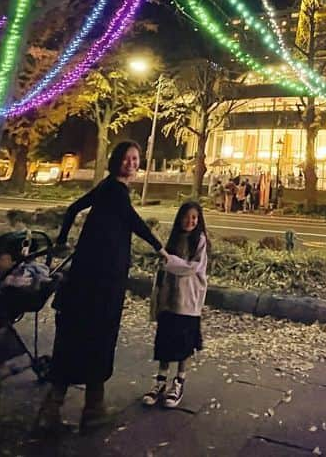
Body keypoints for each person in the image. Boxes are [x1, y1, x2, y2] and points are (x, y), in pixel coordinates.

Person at [36, 141, 163, 433]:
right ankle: (91, 408)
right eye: (127, 158)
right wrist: (159, 247)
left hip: (86, 276)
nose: (132, 163)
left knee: (74, 335)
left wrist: (63, 239)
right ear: (116, 160)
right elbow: (134, 222)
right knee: (99, 336)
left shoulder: (107, 187)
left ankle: (59, 405)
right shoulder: (115, 191)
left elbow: (73, 208)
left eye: (136, 159)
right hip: (102, 280)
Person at [143, 202, 209, 409]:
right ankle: (160, 382)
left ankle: (179, 382)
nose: (190, 221)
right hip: (169, 300)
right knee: (164, 342)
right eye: (187, 217)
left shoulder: (199, 240)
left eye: (195, 218)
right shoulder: (173, 240)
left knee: (184, 344)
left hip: (188, 300)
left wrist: (168, 260)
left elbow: (194, 268)